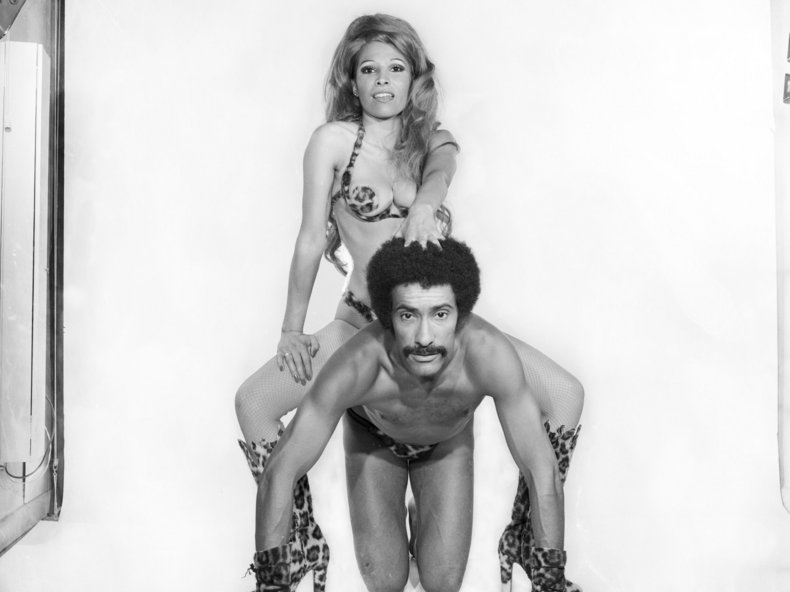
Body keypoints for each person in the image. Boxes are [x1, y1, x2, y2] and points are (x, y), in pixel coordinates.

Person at [234, 12, 584, 588]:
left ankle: (527, 536)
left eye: (396, 68)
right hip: (361, 324)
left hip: (429, 330)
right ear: (351, 80)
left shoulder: (432, 141)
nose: (382, 81)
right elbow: (309, 239)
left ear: (414, 76)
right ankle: (296, 542)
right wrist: (291, 329)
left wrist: (424, 202)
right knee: (254, 402)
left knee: (565, 395)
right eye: (368, 69)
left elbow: (443, 170)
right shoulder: (332, 143)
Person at [253, 238, 582, 592]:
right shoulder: (357, 363)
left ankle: (421, 521)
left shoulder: (489, 354)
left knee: (443, 583)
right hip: (373, 438)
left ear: (461, 313)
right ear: (388, 316)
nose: (425, 337)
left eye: (440, 314)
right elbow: (280, 471)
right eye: (408, 315)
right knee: (385, 581)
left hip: (446, 441)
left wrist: (549, 579)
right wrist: (272, 583)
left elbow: (542, 471)